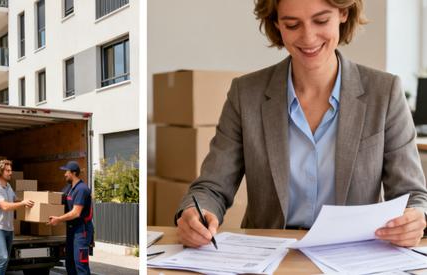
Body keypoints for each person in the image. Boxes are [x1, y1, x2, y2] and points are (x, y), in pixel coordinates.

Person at [176, 0, 427, 248]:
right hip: (270, 254)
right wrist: (196, 212)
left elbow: (412, 196)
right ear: (276, 24)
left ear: (343, 13)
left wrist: (415, 219)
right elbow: (212, 187)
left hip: (352, 256)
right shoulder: (246, 94)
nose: (308, 37)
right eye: (292, 24)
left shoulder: (385, 92)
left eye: (321, 20)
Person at [0, 160, 34, 275]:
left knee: (6, 259)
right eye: (7, 170)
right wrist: (23, 203)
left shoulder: (8, 187)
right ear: (0, 172)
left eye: (10, 170)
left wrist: (31, 200)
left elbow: (15, 200)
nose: (10, 172)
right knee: (3, 257)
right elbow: (5, 206)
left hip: (9, 229)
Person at [49, 161, 94, 275]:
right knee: (70, 263)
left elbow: (76, 213)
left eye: (66, 172)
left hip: (81, 231)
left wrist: (58, 219)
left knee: (80, 264)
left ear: (73, 173)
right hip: (71, 230)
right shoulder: (69, 188)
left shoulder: (82, 189)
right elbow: (57, 196)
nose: (64, 174)